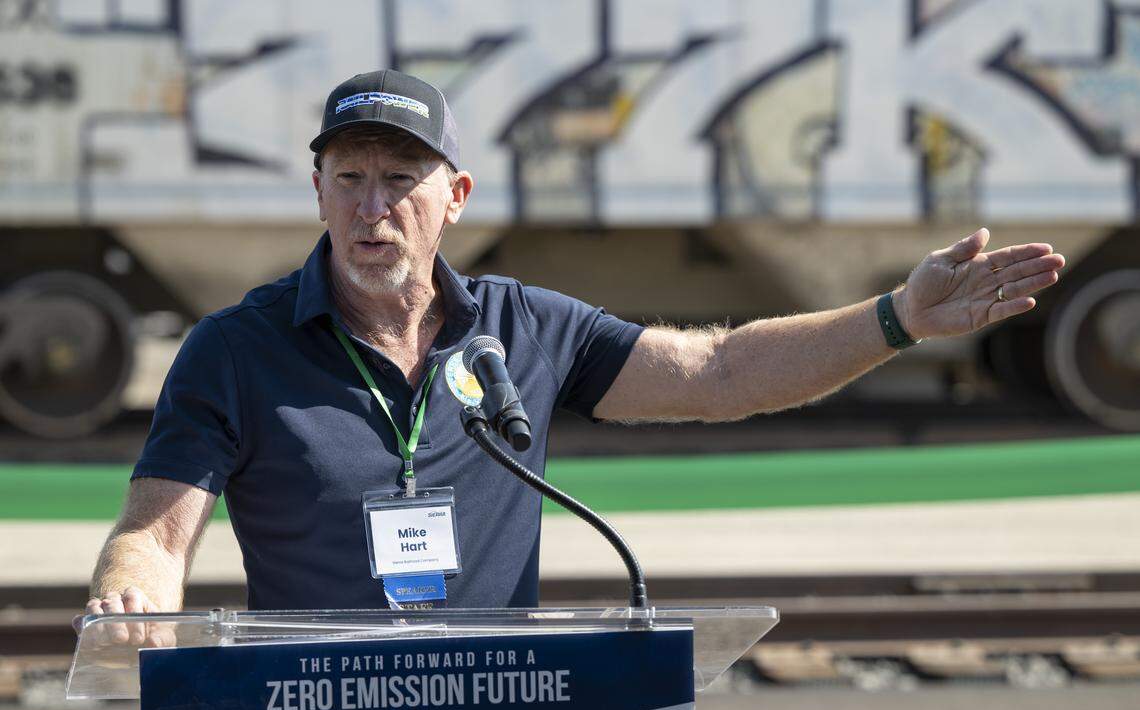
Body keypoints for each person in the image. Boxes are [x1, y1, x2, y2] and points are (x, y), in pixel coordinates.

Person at [85, 70, 1065, 633]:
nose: (372, 207)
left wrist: (895, 318)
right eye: (348, 178)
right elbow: (158, 535)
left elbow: (719, 374)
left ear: (455, 196)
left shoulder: (527, 328)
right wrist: (130, 593)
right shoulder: (234, 351)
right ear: (317, 191)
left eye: (399, 178)